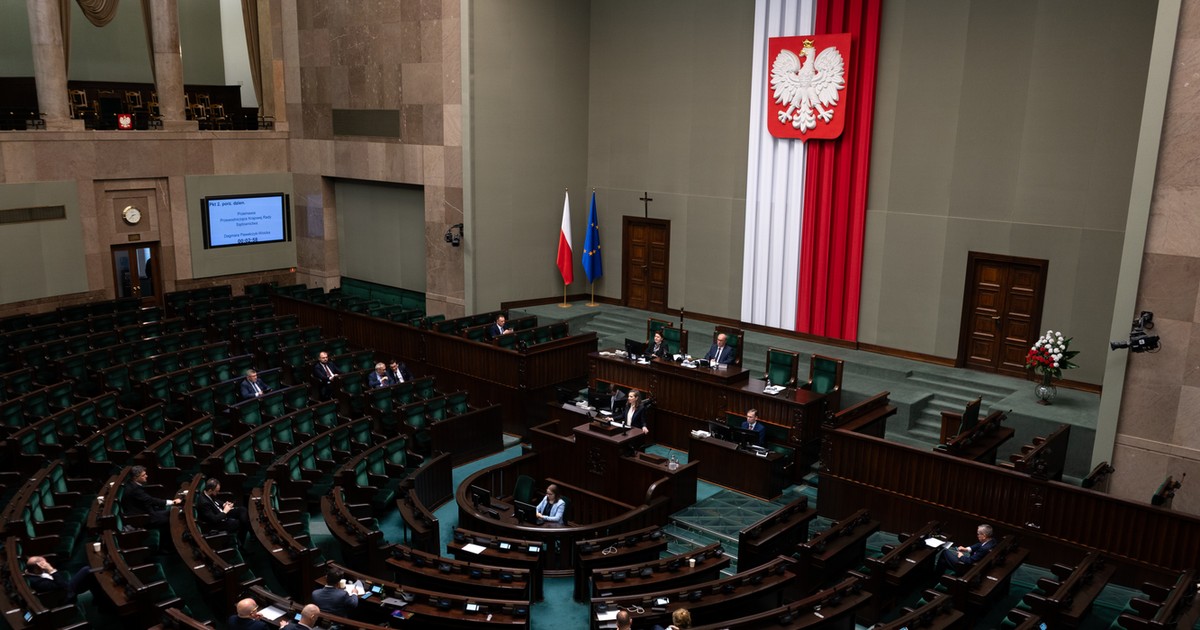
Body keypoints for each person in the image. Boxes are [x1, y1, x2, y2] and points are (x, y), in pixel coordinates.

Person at [23, 556, 98, 603]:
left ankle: (99, 599)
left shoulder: (30, 571)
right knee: (87, 571)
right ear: (36, 569)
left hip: (61, 586)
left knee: (90, 576)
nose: (46, 565)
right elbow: (63, 586)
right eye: (44, 565)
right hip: (63, 594)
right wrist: (50, 569)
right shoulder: (38, 583)